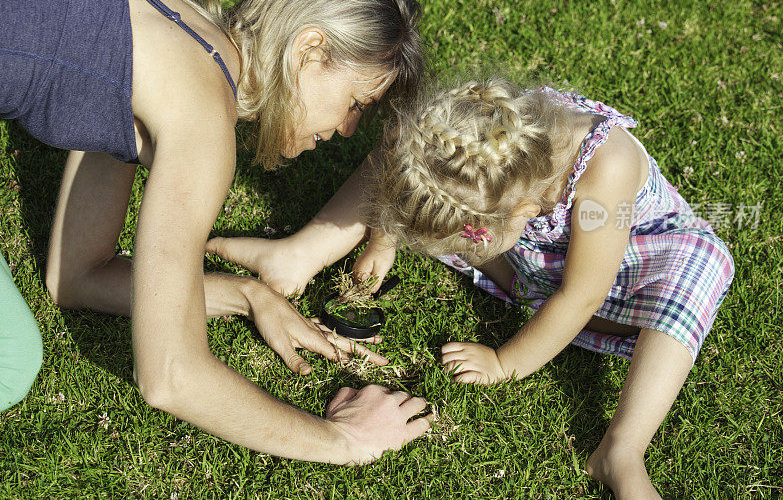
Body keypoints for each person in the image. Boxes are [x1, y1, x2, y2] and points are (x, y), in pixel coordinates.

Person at [0, 0, 432, 464]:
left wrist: (246, 296)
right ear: (310, 51)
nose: (348, 129)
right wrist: (345, 441)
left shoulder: (179, 26)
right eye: (356, 103)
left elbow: (76, 276)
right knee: (9, 361)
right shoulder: (203, 119)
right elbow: (169, 377)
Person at [209, 77, 734, 496]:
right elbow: (408, 159)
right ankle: (300, 251)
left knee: (700, 268)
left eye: (474, 237)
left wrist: (505, 363)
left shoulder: (606, 167)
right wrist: (384, 240)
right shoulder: (472, 139)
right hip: (541, 259)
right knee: (406, 162)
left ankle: (621, 448)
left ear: (525, 212)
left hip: (633, 262)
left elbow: (583, 294)